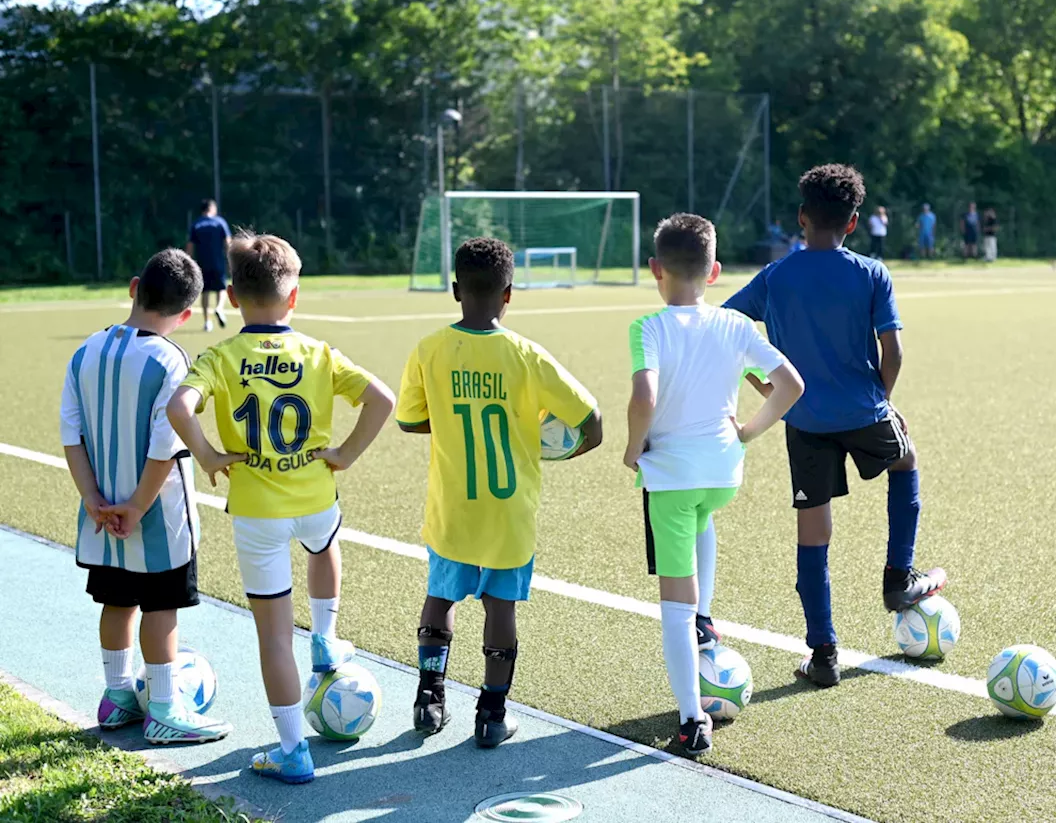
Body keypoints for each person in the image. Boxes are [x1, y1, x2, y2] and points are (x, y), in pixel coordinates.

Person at [167, 233, 395, 784]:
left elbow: (179, 404)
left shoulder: (221, 356)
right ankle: (324, 635)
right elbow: (381, 399)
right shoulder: (317, 353)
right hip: (316, 498)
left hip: (257, 512)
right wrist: (344, 453)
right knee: (325, 544)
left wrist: (207, 455)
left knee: (272, 637)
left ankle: (293, 752)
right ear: (293, 298)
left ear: (235, 299)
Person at [724, 164, 946, 689]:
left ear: (802, 218)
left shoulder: (776, 276)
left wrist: (766, 387)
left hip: (803, 420)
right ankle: (897, 579)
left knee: (814, 530)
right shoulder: (871, 273)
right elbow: (892, 350)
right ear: (853, 223)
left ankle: (823, 655)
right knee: (906, 458)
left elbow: (727, 328)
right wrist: (884, 402)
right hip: (864, 410)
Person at [397, 237, 603, 750]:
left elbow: (409, 420)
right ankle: (491, 714)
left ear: (454, 290)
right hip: (510, 513)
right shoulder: (527, 356)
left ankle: (429, 698)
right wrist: (555, 450)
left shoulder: (429, 349)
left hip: (453, 507)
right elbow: (592, 423)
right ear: (509, 294)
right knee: (500, 607)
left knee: (440, 596)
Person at [627, 214, 802, 756]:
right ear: (716, 272)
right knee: (705, 516)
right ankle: (706, 617)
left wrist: (634, 447)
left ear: (655, 268)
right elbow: (790, 385)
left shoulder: (648, 327)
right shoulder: (734, 325)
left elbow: (645, 398)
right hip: (723, 473)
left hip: (673, 478)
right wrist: (749, 430)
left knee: (672, 606)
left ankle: (691, 718)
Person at [59, 248, 232, 745]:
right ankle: (163, 708)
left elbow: (72, 434)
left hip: (100, 510)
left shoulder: (85, 350)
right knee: (161, 607)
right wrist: (136, 507)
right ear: (185, 313)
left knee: (116, 601)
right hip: (156, 515)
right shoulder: (170, 359)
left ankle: (115, 698)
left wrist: (94, 497)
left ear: (135, 288)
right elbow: (164, 446)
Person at [186, 200, 232, 333]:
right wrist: (231, 260)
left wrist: (188, 263)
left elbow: (190, 246)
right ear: (211, 208)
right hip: (217, 261)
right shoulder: (220, 222)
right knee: (221, 288)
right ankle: (219, 308)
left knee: (205, 292)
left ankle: (207, 322)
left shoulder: (196, 224)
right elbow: (228, 242)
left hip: (202, 263)